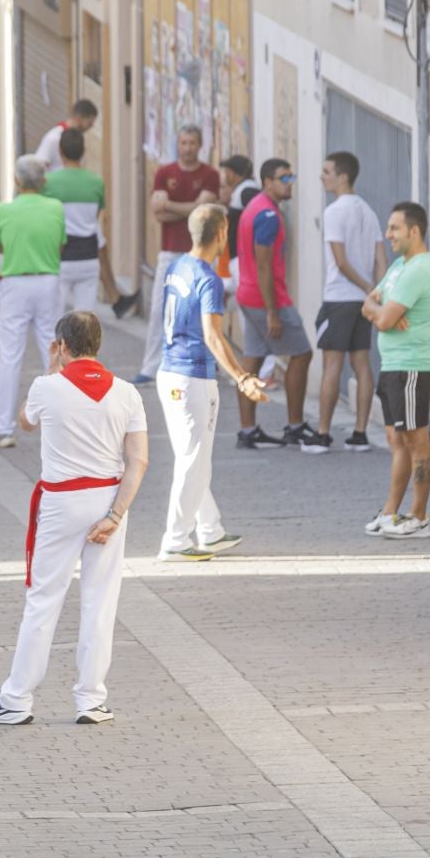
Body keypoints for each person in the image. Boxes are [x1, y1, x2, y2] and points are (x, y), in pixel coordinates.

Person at [0, 312, 148, 727]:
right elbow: (138, 460)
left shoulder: (46, 387)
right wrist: (115, 514)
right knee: (100, 601)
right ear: (99, 344)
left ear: (62, 345)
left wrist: (52, 369)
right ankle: (91, 699)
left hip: (60, 500)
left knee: (44, 600)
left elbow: (25, 423)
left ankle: (17, 698)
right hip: (107, 496)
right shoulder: (127, 393)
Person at [154, 206, 268, 561]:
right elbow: (212, 335)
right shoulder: (209, 278)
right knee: (192, 459)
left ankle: (210, 530)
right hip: (192, 378)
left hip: (170, 372)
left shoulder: (176, 267)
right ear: (221, 234)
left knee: (194, 457)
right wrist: (243, 377)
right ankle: (175, 539)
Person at [233, 158, 328, 451]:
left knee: (252, 360)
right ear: (267, 182)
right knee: (301, 354)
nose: (290, 184)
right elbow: (264, 266)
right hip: (266, 299)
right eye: (284, 178)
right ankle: (295, 426)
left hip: (248, 295)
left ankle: (248, 430)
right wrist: (273, 311)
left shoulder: (256, 207)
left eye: (291, 177)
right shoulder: (268, 216)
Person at [363, 202, 430, 537]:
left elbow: (380, 317)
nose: (388, 234)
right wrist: (379, 311)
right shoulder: (398, 266)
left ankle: (418, 515)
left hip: (412, 367)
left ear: (414, 231)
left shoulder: (418, 269)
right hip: (393, 365)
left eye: (394, 228)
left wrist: (381, 314)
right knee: (397, 438)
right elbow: (369, 304)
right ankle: (391, 512)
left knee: (416, 439)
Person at [0, 156, 66, 449]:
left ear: (18, 182)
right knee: (54, 351)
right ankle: (63, 422)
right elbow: (60, 242)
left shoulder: (4, 210)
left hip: (14, 283)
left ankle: (2, 427)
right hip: (47, 281)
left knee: (10, 355)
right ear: (43, 181)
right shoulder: (55, 207)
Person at [315, 153, 388, 454]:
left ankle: (322, 433)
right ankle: (359, 433)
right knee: (362, 362)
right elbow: (380, 258)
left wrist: (367, 286)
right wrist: (376, 293)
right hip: (362, 302)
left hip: (340, 296)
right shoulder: (368, 211)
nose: (323, 177)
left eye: (327, 171)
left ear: (343, 177)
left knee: (332, 364)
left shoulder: (334, 211)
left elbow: (340, 261)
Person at [137, 130, 223, 383]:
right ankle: (150, 367)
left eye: (192, 143)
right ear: (178, 144)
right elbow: (158, 211)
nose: (187, 148)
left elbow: (201, 209)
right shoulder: (165, 173)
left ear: (200, 145)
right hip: (170, 251)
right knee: (159, 311)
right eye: (183, 142)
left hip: (201, 255)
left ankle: (206, 362)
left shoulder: (210, 175)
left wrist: (173, 207)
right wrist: (192, 210)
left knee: (204, 311)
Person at [46, 129, 115, 313]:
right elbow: (96, 213)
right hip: (89, 256)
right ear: (84, 151)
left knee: (55, 317)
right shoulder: (96, 182)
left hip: (60, 256)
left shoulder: (49, 182)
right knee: (85, 320)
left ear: (60, 152)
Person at [35, 99, 98, 172]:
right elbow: (37, 167)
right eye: (89, 122)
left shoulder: (77, 138)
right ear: (78, 119)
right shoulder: (54, 138)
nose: (91, 126)